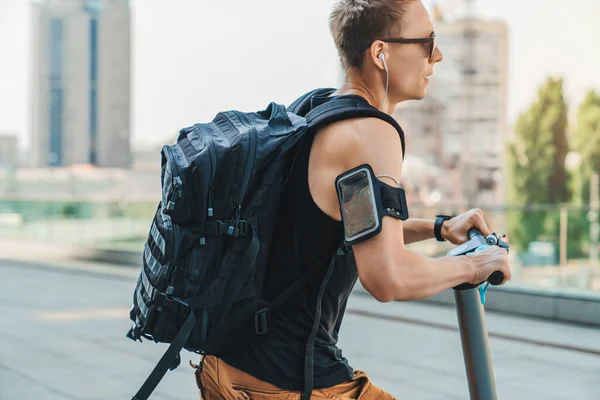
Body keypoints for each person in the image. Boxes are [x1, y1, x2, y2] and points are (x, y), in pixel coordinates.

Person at [195, 0, 512, 398]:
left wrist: (439, 227)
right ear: (381, 52)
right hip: (286, 384)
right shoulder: (372, 132)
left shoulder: (318, 109)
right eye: (427, 42)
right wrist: (476, 265)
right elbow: (387, 277)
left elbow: (343, 225)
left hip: (228, 367)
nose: (438, 55)